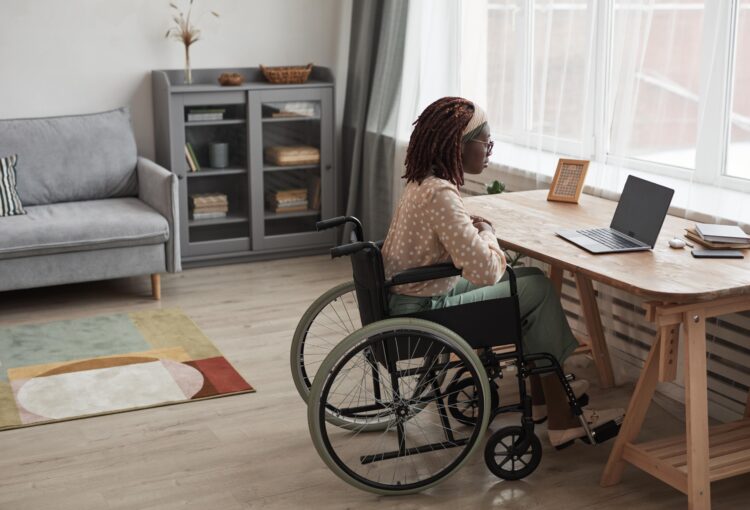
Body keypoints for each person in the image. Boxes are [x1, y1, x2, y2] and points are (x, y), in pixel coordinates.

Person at [381, 96, 623, 448]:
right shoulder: (440, 194)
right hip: (423, 310)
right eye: (486, 143)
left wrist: (473, 230)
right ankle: (557, 410)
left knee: (530, 280)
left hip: (415, 295)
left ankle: (547, 399)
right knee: (535, 290)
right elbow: (485, 272)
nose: (489, 151)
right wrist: (487, 233)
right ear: (459, 146)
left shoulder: (424, 182)